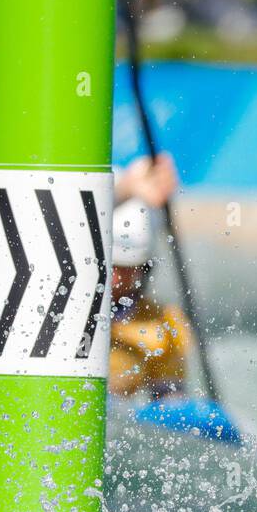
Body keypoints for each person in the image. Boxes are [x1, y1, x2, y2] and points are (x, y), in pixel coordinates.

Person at [108, 152, 194, 399]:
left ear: (143, 270)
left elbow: (171, 406)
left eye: (125, 269)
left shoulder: (164, 326)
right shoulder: (65, 315)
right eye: (109, 266)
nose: (114, 279)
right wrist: (125, 189)